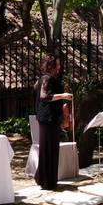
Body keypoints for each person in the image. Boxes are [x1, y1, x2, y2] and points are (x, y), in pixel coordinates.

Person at [34, 54, 73, 190]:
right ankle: (46, 181)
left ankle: (43, 178)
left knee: (51, 148)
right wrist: (63, 96)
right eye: (57, 64)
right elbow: (44, 97)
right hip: (47, 118)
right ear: (51, 65)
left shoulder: (50, 79)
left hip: (51, 117)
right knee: (48, 148)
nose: (59, 66)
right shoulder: (46, 78)